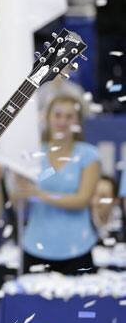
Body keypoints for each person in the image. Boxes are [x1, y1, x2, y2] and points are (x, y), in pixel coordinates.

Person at [14, 95, 101, 275]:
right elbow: (18, 200)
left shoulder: (89, 155)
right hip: (35, 246)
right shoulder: (33, 153)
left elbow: (82, 200)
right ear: (47, 117)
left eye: (69, 116)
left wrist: (39, 194)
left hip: (78, 247)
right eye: (58, 115)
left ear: (77, 121)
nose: (62, 121)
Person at [91, 174, 124, 242]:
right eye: (93, 195)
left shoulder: (122, 222)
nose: (96, 202)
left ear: (115, 200)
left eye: (103, 197)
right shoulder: (83, 224)